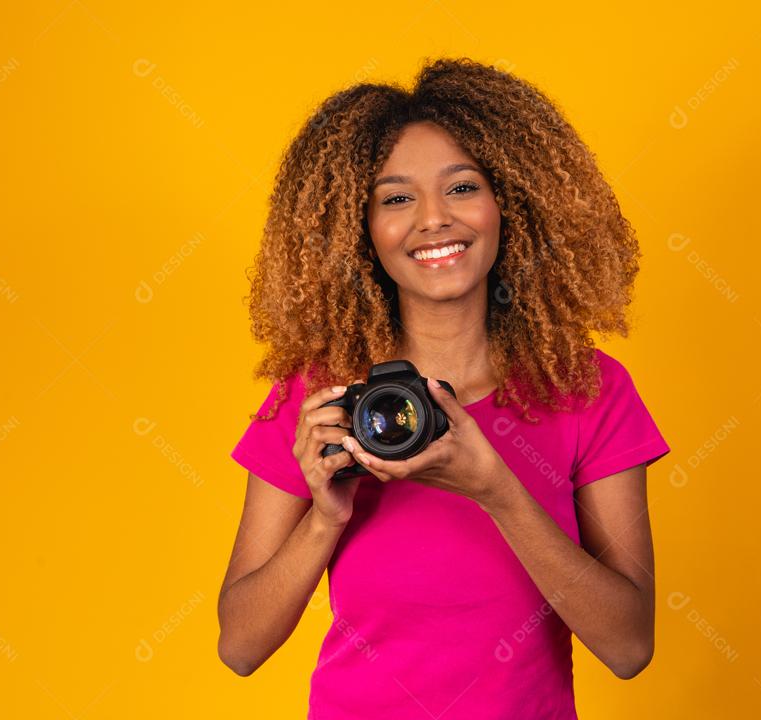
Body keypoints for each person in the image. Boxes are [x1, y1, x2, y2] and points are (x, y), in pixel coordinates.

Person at [217, 57, 671, 719]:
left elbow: (629, 645)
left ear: (509, 202)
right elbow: (240, 646)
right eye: (396, 198)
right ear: (360, 230)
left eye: (462, 188)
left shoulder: (587, 389)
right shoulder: (322, 398)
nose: (434, 219)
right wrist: (324, 517)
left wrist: (498, 491)